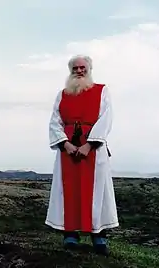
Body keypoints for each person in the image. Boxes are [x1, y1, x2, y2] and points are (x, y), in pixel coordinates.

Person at [45, 54, 119, 256]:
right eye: (75, 68)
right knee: (68, 190)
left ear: (89, 69)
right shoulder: (62, 94)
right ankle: (70, 233)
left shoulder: (102, 91)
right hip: (68, 150)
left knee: (97, 191)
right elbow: (55, 120)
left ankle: (98, 235)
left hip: (93, 150)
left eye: (82, 68)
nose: (79, 71)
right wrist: (66, 144)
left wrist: (89, 145)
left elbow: (106, 118)